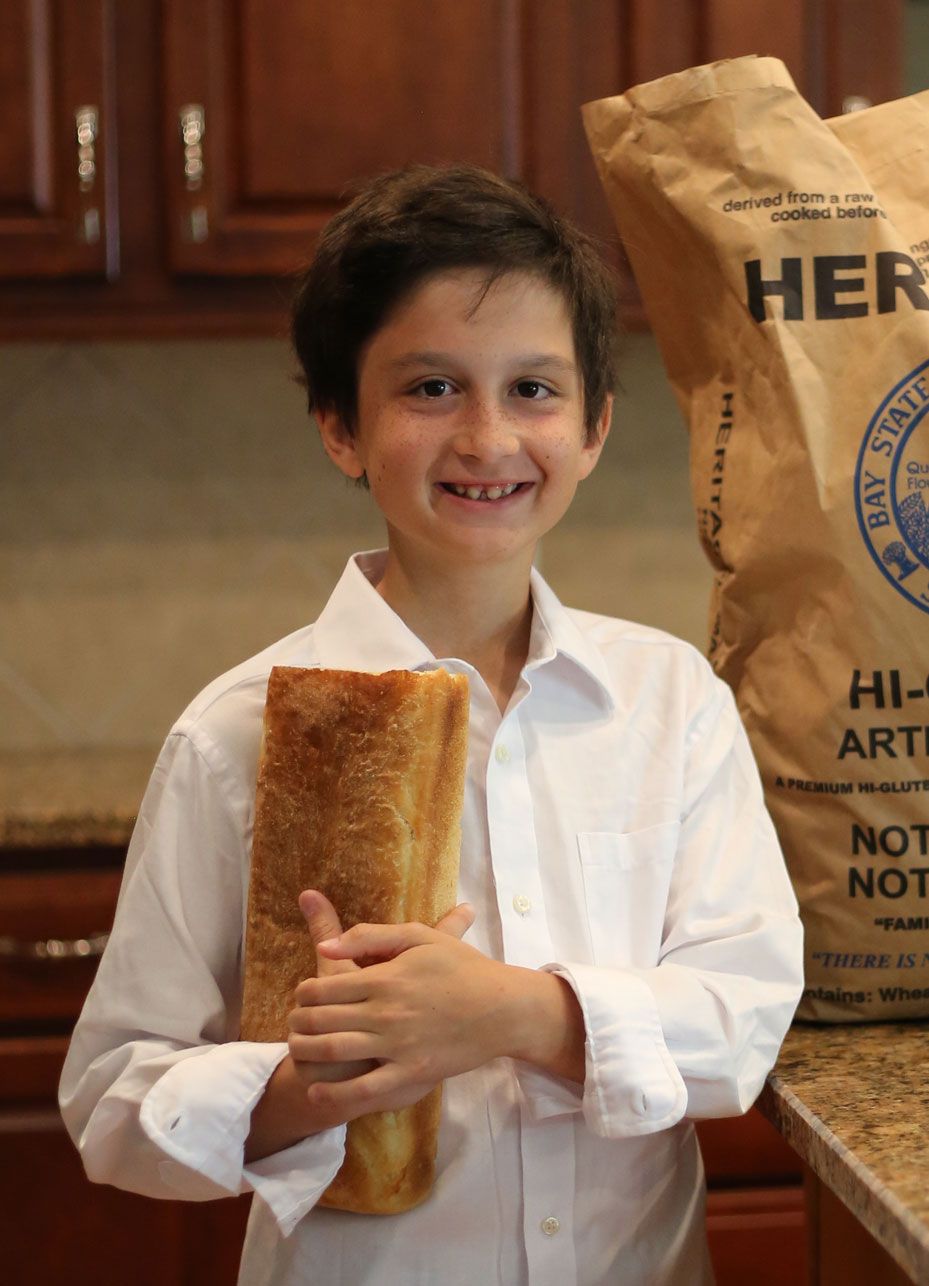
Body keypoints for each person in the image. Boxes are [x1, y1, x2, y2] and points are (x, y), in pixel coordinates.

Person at [59, 164, 804, 1285]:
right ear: (338, 427)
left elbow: (744, 1013)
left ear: (595, 426)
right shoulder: (237, 735)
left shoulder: (669, 702)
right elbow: (115, 1098)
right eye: (430, 388)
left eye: (534, 389)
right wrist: (312, 1085)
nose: (487, 435)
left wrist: (512, 1012)